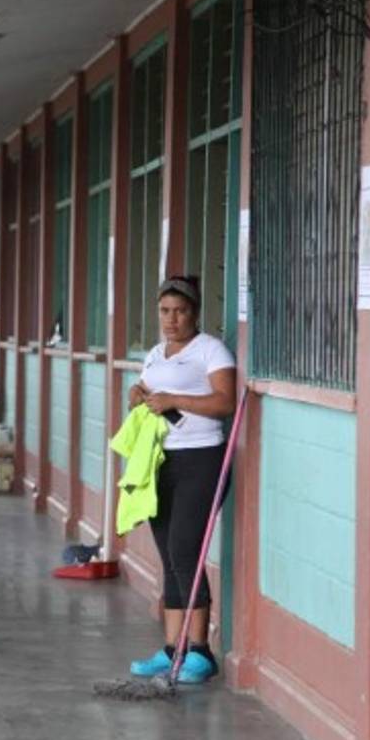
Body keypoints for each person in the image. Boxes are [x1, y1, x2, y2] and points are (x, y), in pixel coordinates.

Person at [127, 276, 236, 684]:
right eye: (164, 312)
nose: (171, 320)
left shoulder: (210, 350)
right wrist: (137, 395)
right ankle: (173, 648)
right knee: (169, 555)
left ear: (194, 313)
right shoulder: (156, 353)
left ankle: (200, 652)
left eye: (180, 311)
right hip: (160, 460)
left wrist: (175, 400)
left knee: (185, 550)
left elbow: (225, 402)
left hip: (202, 459)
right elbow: (145, 394)